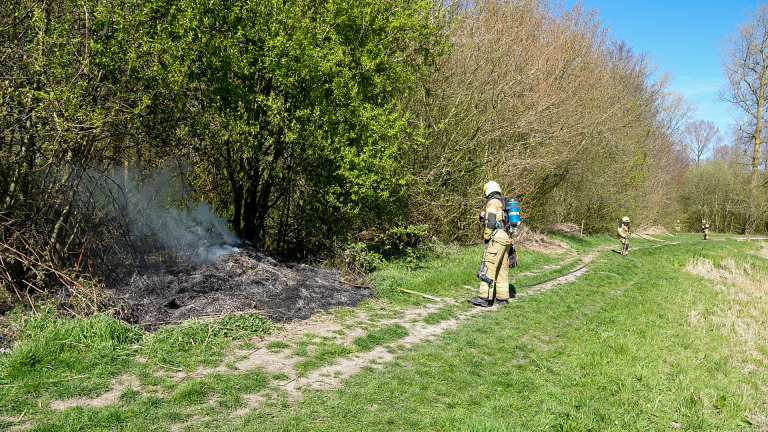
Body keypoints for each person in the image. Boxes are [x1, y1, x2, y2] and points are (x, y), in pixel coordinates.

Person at [469, 181, 513, 307]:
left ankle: (484, 297)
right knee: (502, 269)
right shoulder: (503, 202)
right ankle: (502, 298)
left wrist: (486, 236)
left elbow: (491, 222)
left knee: (489, 266)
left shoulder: (492, 202)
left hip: (497, 238)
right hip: (506, 239)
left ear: (487, 191)